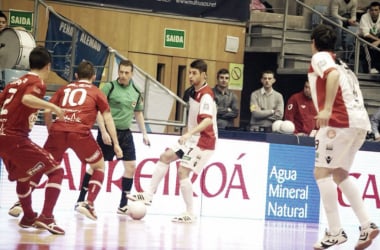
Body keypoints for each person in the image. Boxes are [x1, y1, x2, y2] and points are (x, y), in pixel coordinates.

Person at [309, 24, 379, 250]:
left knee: (321, 172)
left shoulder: (321, 58)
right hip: (359, 122)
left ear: (313, 42)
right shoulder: (342, 62)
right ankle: (367, 225)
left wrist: (327, 108)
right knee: (339, 173)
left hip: (340, 122)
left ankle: (335, 231)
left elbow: (331, 75)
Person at [127, 59, 217, 223]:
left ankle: (190, 213)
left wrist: (189, 133)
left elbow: (207, 121)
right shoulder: (192, 91)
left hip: (203, 142)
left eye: (194, 73)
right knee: (165, 157)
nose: (190, 76)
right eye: (189, 72)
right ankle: (148, 195)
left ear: (204, 75)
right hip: (192, 139)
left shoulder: (206, 96)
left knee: (183, 172)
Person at [0, 46, 66, 235]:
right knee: (57, 170)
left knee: (24, 176)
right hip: (15, 138)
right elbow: (28, 99)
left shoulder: (14, 83)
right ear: (48, 66)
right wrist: (53, 107)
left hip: (2, 138)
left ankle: (28, 216)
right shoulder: (37, 82)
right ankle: (47, 217)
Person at [75, 59, 150, 215]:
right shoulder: (109, 87)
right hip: (108, 132)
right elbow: (97, 110)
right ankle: (81, 200)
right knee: (96, 166)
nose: (122, 75)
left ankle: (123, 205)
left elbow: (138, 113)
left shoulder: (136, 91)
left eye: (126, 73)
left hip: (125, 133)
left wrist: (144, 133)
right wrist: (103, 131)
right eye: (121, 72)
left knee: (130, 167)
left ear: (132, 74)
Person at [359, 1, 380, 74]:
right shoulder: (364, 17)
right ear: (369, 10)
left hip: (377, 38)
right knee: (368, 47)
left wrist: (378, 41)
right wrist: (378, 40)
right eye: (372, 10)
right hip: (362, 39)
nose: (373, 12)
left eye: (376, 10)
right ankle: (370, 69)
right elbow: (366, 34)